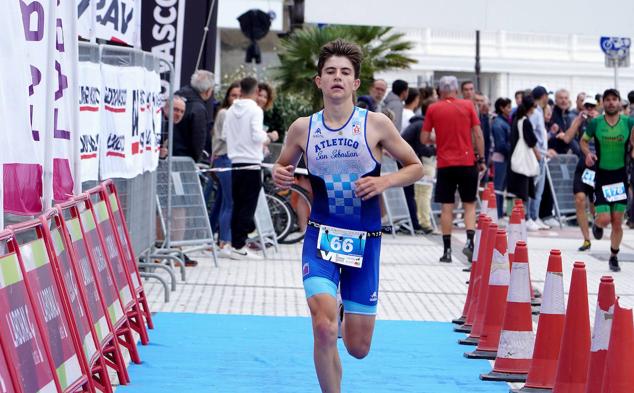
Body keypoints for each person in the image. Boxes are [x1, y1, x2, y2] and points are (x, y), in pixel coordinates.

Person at [272, 39, 423, 393]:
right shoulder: (302, 129)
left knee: (357, 348)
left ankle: (340, 311)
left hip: (365, 242)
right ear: (319, 81)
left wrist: (385, 180)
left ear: (355, 83)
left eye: (345, 72)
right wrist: (280, 174)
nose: (337, 78)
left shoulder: (377, 124)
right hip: (321, 237)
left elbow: (415, 166)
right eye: (330, 72)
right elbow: (282, 168)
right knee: (323, 328)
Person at [421, 76, 485, 263]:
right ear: (456, 90)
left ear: (440, 91)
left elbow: (424, 138)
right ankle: (470, 243)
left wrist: (439, 139)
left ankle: (447, 251)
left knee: (447, 207)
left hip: (445, 164)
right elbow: (478, 134)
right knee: (469, 205)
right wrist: (481, 158)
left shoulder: (433, 108)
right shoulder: (468, 106)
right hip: (467, 162)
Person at [580, 89, 634, 272]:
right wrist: (588, 154)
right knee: (604, 219)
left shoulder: (628, 122)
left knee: (617, 221)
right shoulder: (596, 123)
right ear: (603, 103)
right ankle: (596, 224)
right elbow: (583, 141)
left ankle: (614, 256)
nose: (611, 102)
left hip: (620, 177)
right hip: (602, 176)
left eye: (614, 99)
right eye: (607, 100)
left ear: (619, 102)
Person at [225, 77, 278, 259]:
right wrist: (269, 137)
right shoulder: (255, 110)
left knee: (238, 205)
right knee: (247, 206)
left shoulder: (231, 109)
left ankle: (236, 244)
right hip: (251, 163)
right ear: (256, 92)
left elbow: (225, 135)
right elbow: (257, 135)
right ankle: (239, 246)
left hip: (235, 162)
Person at [557, 95, 599, 251]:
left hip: (601, 167)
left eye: (592, 106)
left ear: (598, 107)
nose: (589, 109)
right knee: (580, 199)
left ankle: (597, 224)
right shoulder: (578, 119)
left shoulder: (603, 120)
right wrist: (578, 121)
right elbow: (567, 138)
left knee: (596, 205)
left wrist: (599, 119)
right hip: (584, 166)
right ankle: (586, 239)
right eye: (586, 106)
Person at [210, 82, 241, 258]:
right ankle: (225, 242)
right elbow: (226, 137)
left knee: (222, 201)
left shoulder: (234, 115)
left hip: (228, 159)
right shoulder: (224, 113)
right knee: (230, 203)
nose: (236, 99)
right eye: (233, 95)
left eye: (239, 96)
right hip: (225, 159)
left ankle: (211, 238)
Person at [173, 70, 215, 163]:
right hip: (185, 161)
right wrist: (198, 160)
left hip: (168, 156)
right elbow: (198, 141)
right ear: (208, 91)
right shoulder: (199, 109)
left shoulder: (175, 97)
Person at [507, 96, 541, 204]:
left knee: (512, 190)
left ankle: (510, 216)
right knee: (523, 191)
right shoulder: (525, 121)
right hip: (523, 161)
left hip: (514, 157)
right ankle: (522, 218)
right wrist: (537, 153)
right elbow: (531, 141)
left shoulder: (516, 118)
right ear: (531, 108)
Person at [527, 86, 550, 231]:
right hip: (537, 154)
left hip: (542, 154)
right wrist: (537, 150)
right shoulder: (535, 112)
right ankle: (529, 216)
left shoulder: (539, 111)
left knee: (539, 190)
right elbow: (531, 132)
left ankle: (535, 216)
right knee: (534, 188)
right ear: (544, 96)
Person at [491, 97, 512, 219]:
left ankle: (499, 213)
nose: (510, 109)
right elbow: (501, 144)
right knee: (498, 188)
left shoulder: (504, 122)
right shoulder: (499, 123)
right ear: (501, 108)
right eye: (508, 107)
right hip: (501, 159)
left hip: (505, 158)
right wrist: (512, 151)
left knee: (501, 187)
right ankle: (497, 213)